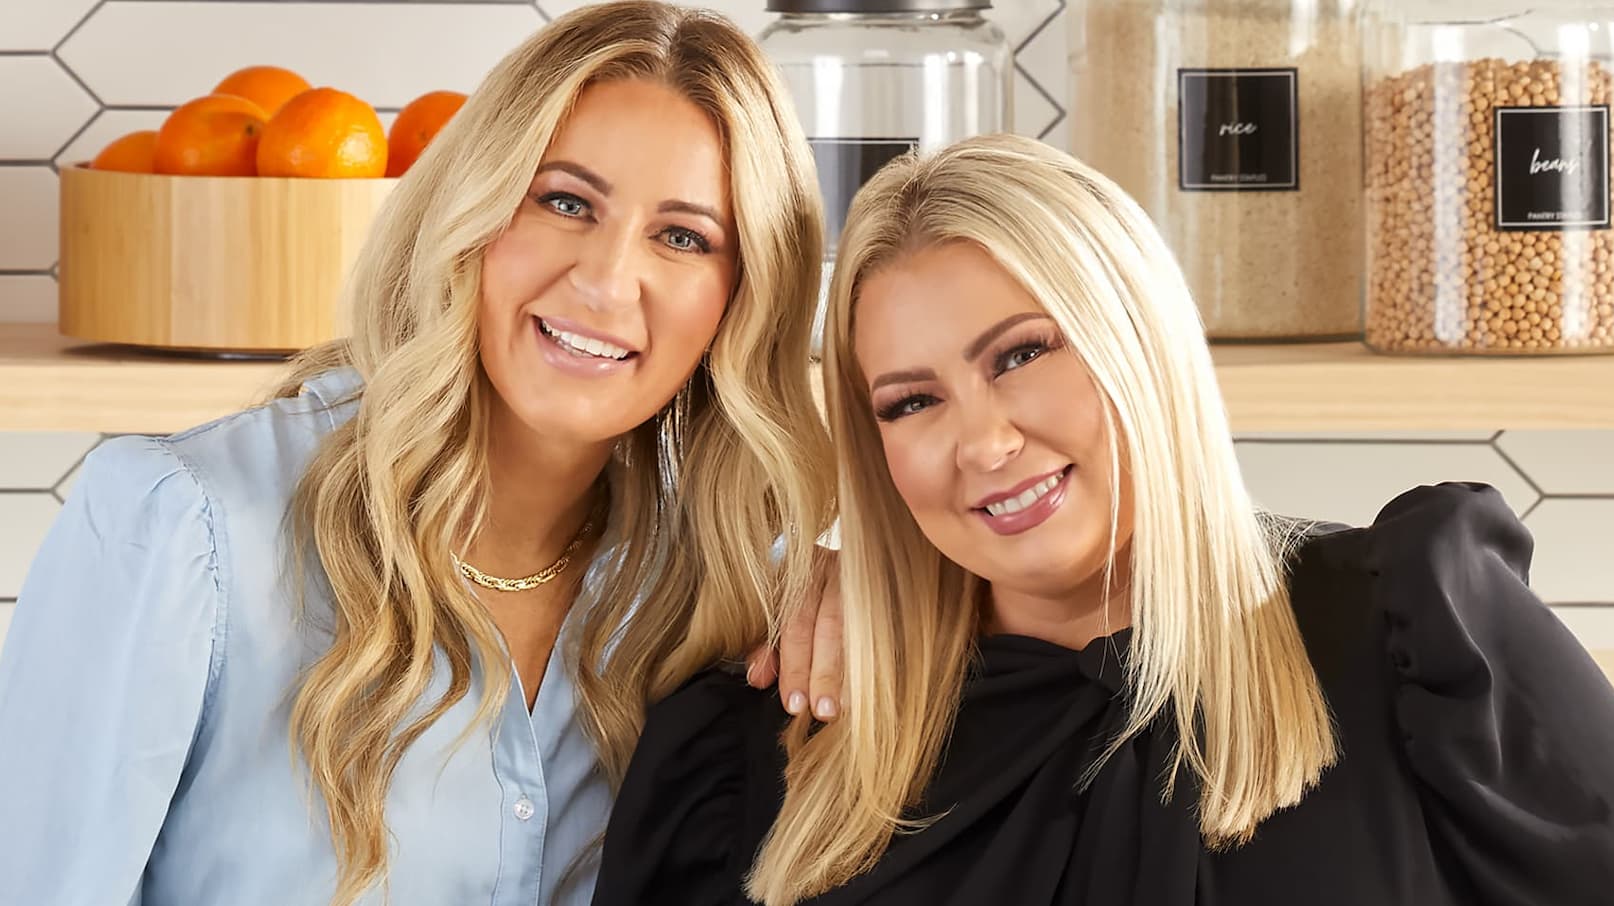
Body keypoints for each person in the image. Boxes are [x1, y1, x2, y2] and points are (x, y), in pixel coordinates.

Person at [592, 133, 1614, 906]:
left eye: (1022, 354)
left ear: (1138, 340)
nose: (983, 442)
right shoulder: (758, 748)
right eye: (911, 402)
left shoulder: (1421, 640)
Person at [0, 4, 844, 905]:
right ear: (472, 209)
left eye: (683, 238)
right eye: (565, 202)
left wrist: (852, 592)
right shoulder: (184, 529)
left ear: (741, 301)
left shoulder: (730, 586)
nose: (605, 281)